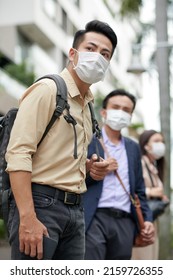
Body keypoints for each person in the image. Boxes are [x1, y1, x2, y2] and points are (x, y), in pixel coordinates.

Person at [5, 20, 118, 260]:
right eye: (91, 48)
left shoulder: (88, 106)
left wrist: (90, 168)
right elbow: (18, 153)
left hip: (76, 211)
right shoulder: (48, 89)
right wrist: (27, 218)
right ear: (73, 53)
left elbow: (60, 157)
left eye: (105, 54)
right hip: (40, 206)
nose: (97, 56)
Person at [83, 89, 155, 260]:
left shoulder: (133, 148)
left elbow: (139, 189)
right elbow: (73, 180)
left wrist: (148, 219)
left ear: (130, 116)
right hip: (94, 217)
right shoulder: (88, 140)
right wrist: (99, 171)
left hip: (125, 221)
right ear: (104, 112)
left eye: (126, 110)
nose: (121, 112)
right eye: (116, 107)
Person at [132, 129, 169, 260]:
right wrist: (150, 192)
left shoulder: (153, 166)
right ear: (146, 145)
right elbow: (133, 189)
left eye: (162, 141)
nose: (161, 145)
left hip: (152, 219)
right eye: (157, 141)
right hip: (141, 220)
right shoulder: (140, 163)